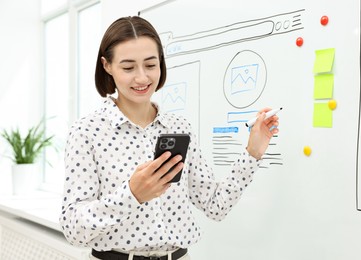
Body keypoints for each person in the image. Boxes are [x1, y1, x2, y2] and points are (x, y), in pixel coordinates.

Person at [59, 16, 279, 260]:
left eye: (151, 65)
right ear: (107, 65)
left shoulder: (179, 127)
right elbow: (73, 230)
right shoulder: (87, 132)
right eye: (128, 67)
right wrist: (131, 194)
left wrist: (253, 152)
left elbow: (216, 206)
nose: (142, 78)